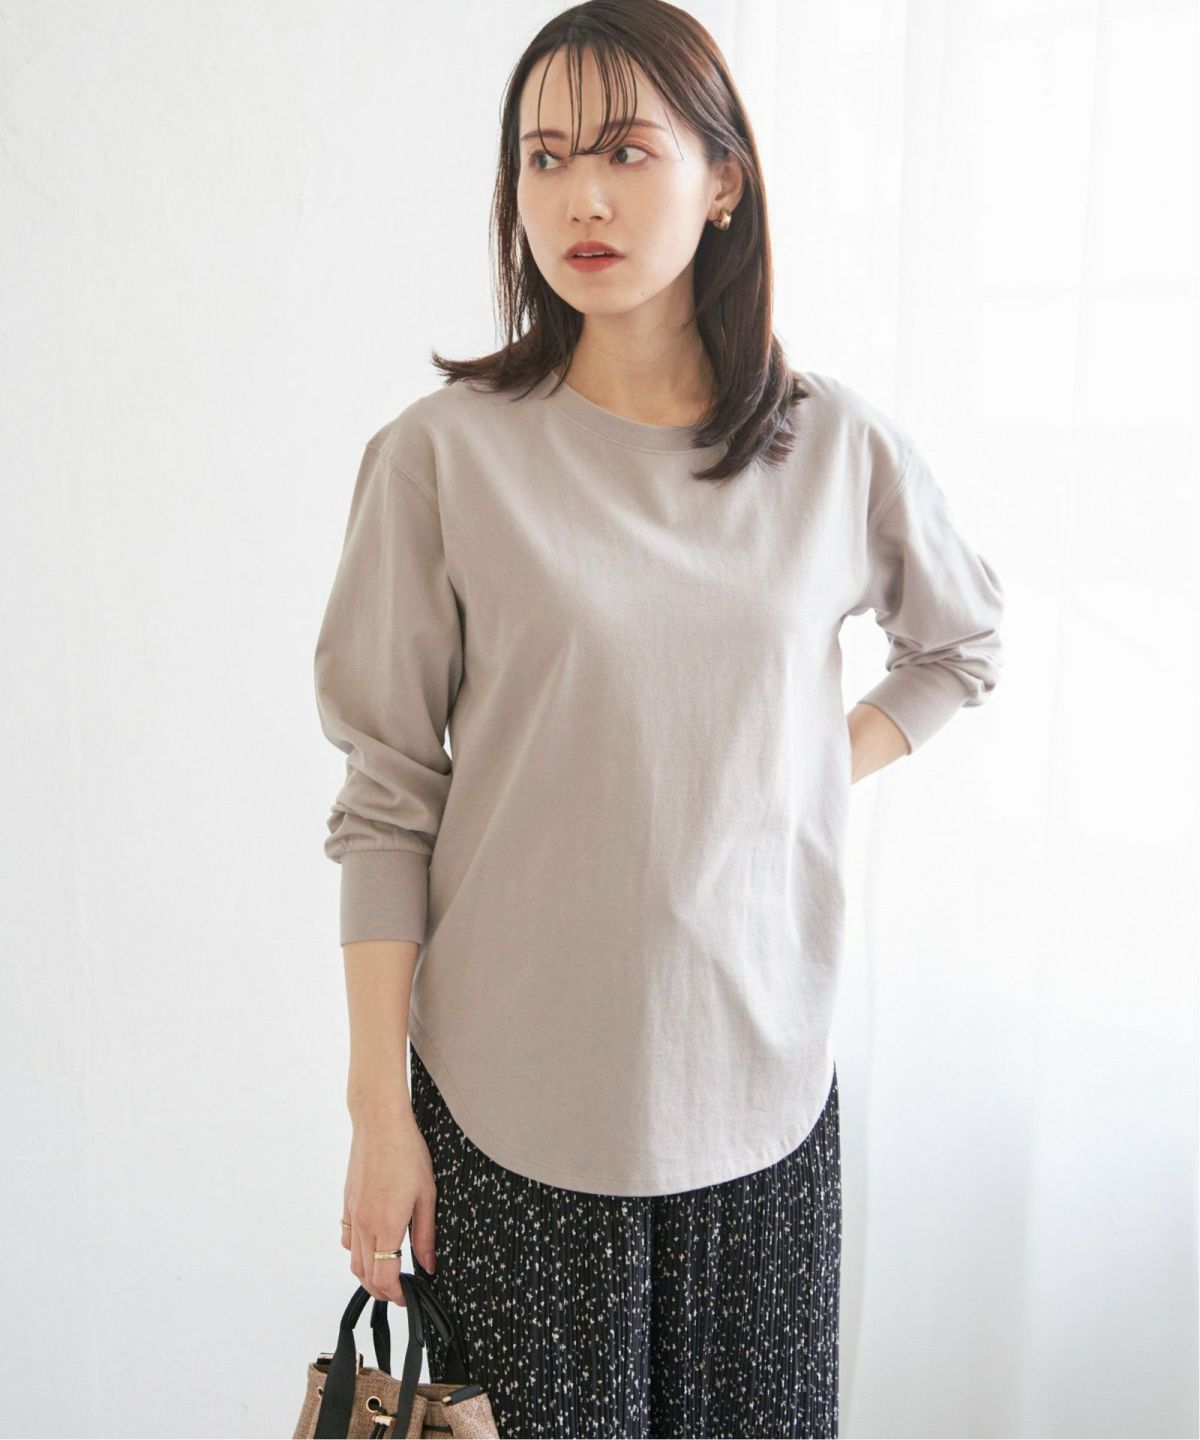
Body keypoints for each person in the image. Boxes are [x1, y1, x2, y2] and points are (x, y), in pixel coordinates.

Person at [313, 3, 1005, 1436]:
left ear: (725, 178)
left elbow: (959, 646)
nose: (583, 195)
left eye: (626, 150)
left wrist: (810, 764)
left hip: (764, 1097)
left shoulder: (832, 447)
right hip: (508, 1114)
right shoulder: (441, 461)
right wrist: (380, 1112)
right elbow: (386, 800)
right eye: (546, 157)